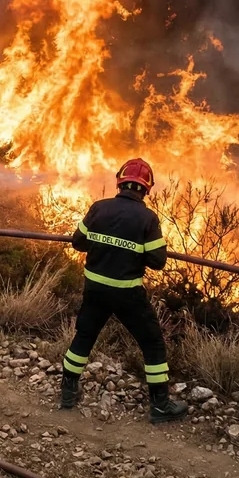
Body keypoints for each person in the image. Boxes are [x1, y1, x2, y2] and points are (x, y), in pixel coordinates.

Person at [60, 158, 188, 424]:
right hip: (128, 295)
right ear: (147, 188)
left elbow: (77, 243)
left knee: (84, 337)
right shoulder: (147, 218)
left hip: (94, 290)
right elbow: (158, 261)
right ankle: (160, 405)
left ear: (119, 181)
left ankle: (68, 392)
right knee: (152, 344)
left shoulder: (99, 208)